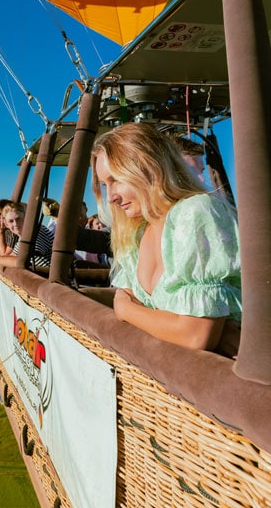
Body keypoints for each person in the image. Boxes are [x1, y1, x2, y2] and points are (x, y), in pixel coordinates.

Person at [91, 123, 241, 352]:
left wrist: (126, 311)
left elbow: (196, 335)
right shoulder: (138, 232)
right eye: (104, 185)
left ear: (150, 168)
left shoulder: (195, 212)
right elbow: (126, 294)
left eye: (117, 180)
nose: (110, 197)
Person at [0, 201, 53, 271]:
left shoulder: (36, 231)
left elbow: (20, 261)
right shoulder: (23, 238)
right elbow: (11, 257)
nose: (15, 224)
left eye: (18, 219)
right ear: (6, 224)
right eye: (11, 221)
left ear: (26, 218)